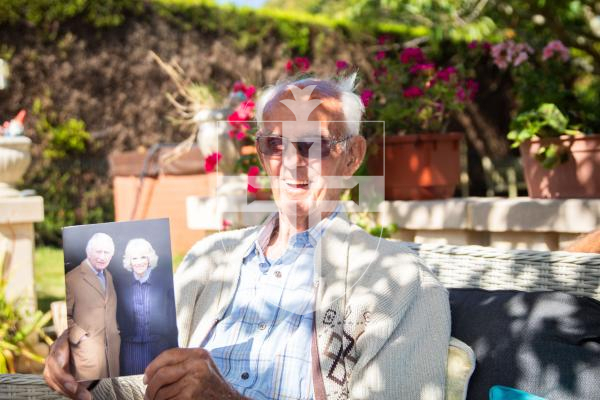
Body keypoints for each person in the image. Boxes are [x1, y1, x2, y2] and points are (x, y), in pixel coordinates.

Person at [45, 74, 451, 400]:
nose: (294, 163)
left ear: (354, 155)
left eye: (316, 145)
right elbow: (141, 380)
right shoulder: (209, 259)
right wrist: (89, 366)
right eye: (276, 144)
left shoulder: (401, 284)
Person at [116, 238, 178, 376]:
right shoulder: (120, 286)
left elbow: (172, 318)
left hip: (159, 347)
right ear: (129, 262)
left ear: (150, 259)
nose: (139, 262)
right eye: (134, 258)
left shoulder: (165, 283)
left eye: (143, 257)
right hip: (130, 350)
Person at [64, 232, 120, 381]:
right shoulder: (72, 278)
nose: (102, 257)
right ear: (88, 252)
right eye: (98, 251)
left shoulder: (108, 275)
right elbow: (64, 315)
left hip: (111, 354)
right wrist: (80, 337)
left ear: (111, 256)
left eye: (106, 252)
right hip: (87, 354)